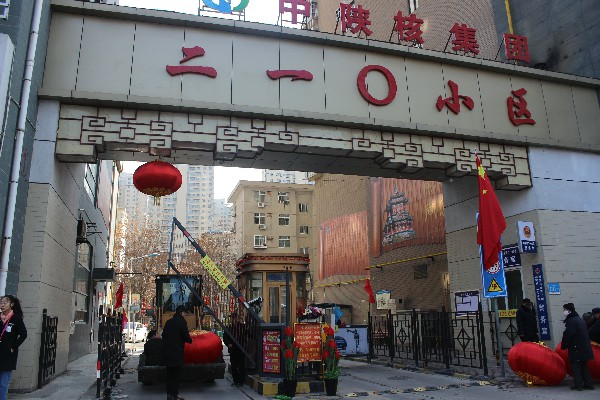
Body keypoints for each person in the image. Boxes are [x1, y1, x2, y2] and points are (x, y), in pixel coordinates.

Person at [561, 303, 595, 391]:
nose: (563, 312)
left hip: (576, 347)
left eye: (564, 310)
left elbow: (569, 334)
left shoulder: (571, 321)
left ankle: (578, 384)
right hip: (584, 347)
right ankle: (588, 384)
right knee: (583, 366)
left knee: (576, 366)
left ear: (569, 311)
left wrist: (564, 345)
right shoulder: (579, 320)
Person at [162, 305, 192, 400]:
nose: (185, 315)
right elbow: (186, 337)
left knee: (169, 375)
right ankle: (174, 395)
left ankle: (169, 395)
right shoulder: (182, 322)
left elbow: (164, 335)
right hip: (177, 352)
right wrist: (191, 340)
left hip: (168, 352)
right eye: (185, 313)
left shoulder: (168, 322)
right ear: (181, 312)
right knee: (176, 375)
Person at [0, 295, 27, 400]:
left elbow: (23, 334)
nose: (2, 305)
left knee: (3, 384)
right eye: (1, 303)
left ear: (11, 304)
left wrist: (13, 346)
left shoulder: (16, 318)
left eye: (4, 303)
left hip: (7, 355)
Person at [223, 313, 246, 387]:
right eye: (232, 318)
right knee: (234, 366)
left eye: (235, 317)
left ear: (237, 318)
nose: (234, 319)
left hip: (241, 349)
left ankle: (241, 381)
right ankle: (235, 381)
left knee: (241, 366)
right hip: (233, 349)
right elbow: (225, 338)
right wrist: (228, 344)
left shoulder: (242, 327)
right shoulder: (229, 328)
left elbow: (247, 335)